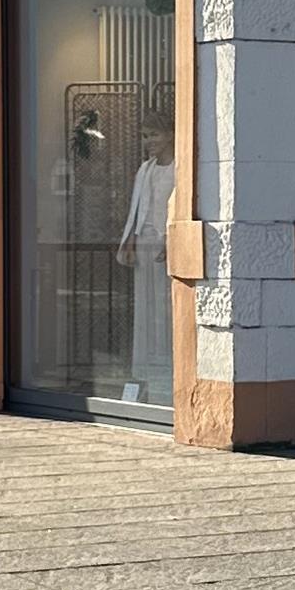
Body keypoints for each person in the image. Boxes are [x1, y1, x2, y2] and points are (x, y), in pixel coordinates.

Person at [118, 116, 175, 408]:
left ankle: (170, 364)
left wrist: (171, 240)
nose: (148, 141)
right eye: (144, 136)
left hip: (166, 245)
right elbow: (137, 208)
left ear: (170, 134)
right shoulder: (145, 169)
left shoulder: (179, 167)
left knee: (166, 306)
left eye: (154, 134)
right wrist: (130, 240)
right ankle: (145, 370)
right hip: (144, 244)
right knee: (145, 306)